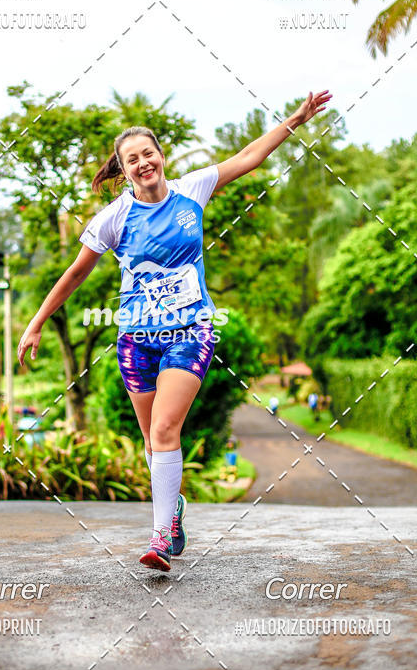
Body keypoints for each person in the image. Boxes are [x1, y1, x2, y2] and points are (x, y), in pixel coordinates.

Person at [17, 90, 332, 572]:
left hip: (191, 330)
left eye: (148, 153)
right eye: (132, 159)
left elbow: (250, 157)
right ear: (123, 170)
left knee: (166, 428)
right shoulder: (114, 217)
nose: (143, 163)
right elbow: (76, 272)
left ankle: (161, 537)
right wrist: (37, 322)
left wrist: (295, 119)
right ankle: (175, 510)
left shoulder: (193, 189)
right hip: (135, 340)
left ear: (160, 156)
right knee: (152, 441)